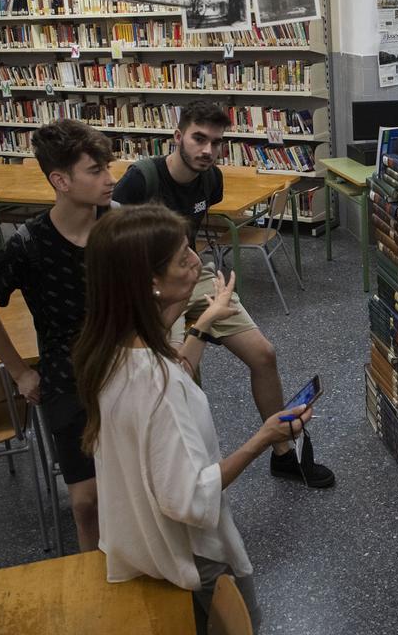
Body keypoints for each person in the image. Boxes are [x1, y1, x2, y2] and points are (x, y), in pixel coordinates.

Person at [73, 204, 312, 625]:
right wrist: (265, 436)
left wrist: (204, 321)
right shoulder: (159, 387)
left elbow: (168, 368)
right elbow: (191, 497)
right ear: (151, 282)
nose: (198, 261)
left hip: (136, 545)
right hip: (192, 559)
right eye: (184, 257)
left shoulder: (108, 350)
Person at [112, 100, 335, 488]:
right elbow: (109, 246)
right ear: (177, 136)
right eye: (199, 139)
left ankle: (283, 455)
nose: (208, 151)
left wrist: (194, 275)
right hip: (148, 289)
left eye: (216, 143)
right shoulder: (139, 181)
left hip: (195, 274)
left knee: (263, 354)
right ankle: (192, 476)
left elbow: (196, 228)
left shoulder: (211, 179)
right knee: (184, 380)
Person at [0, 120, 116, 551]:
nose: (109, 178)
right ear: (61, 180)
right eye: (95, 170)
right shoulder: (28, 243)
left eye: (107, 166)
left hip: (125, 367)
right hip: (66, 378)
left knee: (139, 487)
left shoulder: (119, 224)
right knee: (86, 503)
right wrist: (19, 372)